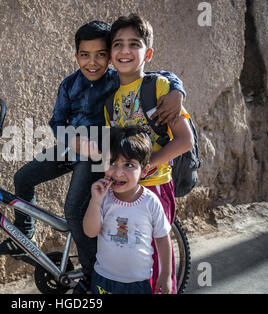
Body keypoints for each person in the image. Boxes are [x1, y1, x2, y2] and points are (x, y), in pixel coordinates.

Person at [0, 20, 186, 293]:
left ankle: (91, 272)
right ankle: (24, 232)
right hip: (73, 146)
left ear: (109, 56)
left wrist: (177, 90)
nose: (92, 62)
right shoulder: (69, 84)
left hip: (100, 152)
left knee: (73, 209)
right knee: (23, 177)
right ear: (76, 56)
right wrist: (72, 140)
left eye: (100, 55)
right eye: (85, 55)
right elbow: (56, 123)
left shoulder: (115, 79)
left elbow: (154, 73)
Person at [104, 14, 194, 293]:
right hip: (122, 193)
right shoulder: (111, 101)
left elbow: (185, 140)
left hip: (154, 189)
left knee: (156, 264)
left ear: (148, 53)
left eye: (135, 44)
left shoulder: (159, 88)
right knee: (131, 264)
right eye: (118, 44)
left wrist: (146, 166)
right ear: (110, 54)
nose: (125, 51)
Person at [83, 125, 173, 294]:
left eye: (129, 165)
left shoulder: (150, 202)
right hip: (104, 279)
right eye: (112, 162)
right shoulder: (103, 197)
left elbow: (162, 238)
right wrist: (95, 202)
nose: (118, 172)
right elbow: (90, 232)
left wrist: (166, 275)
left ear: (144, 171)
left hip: (138, 283)